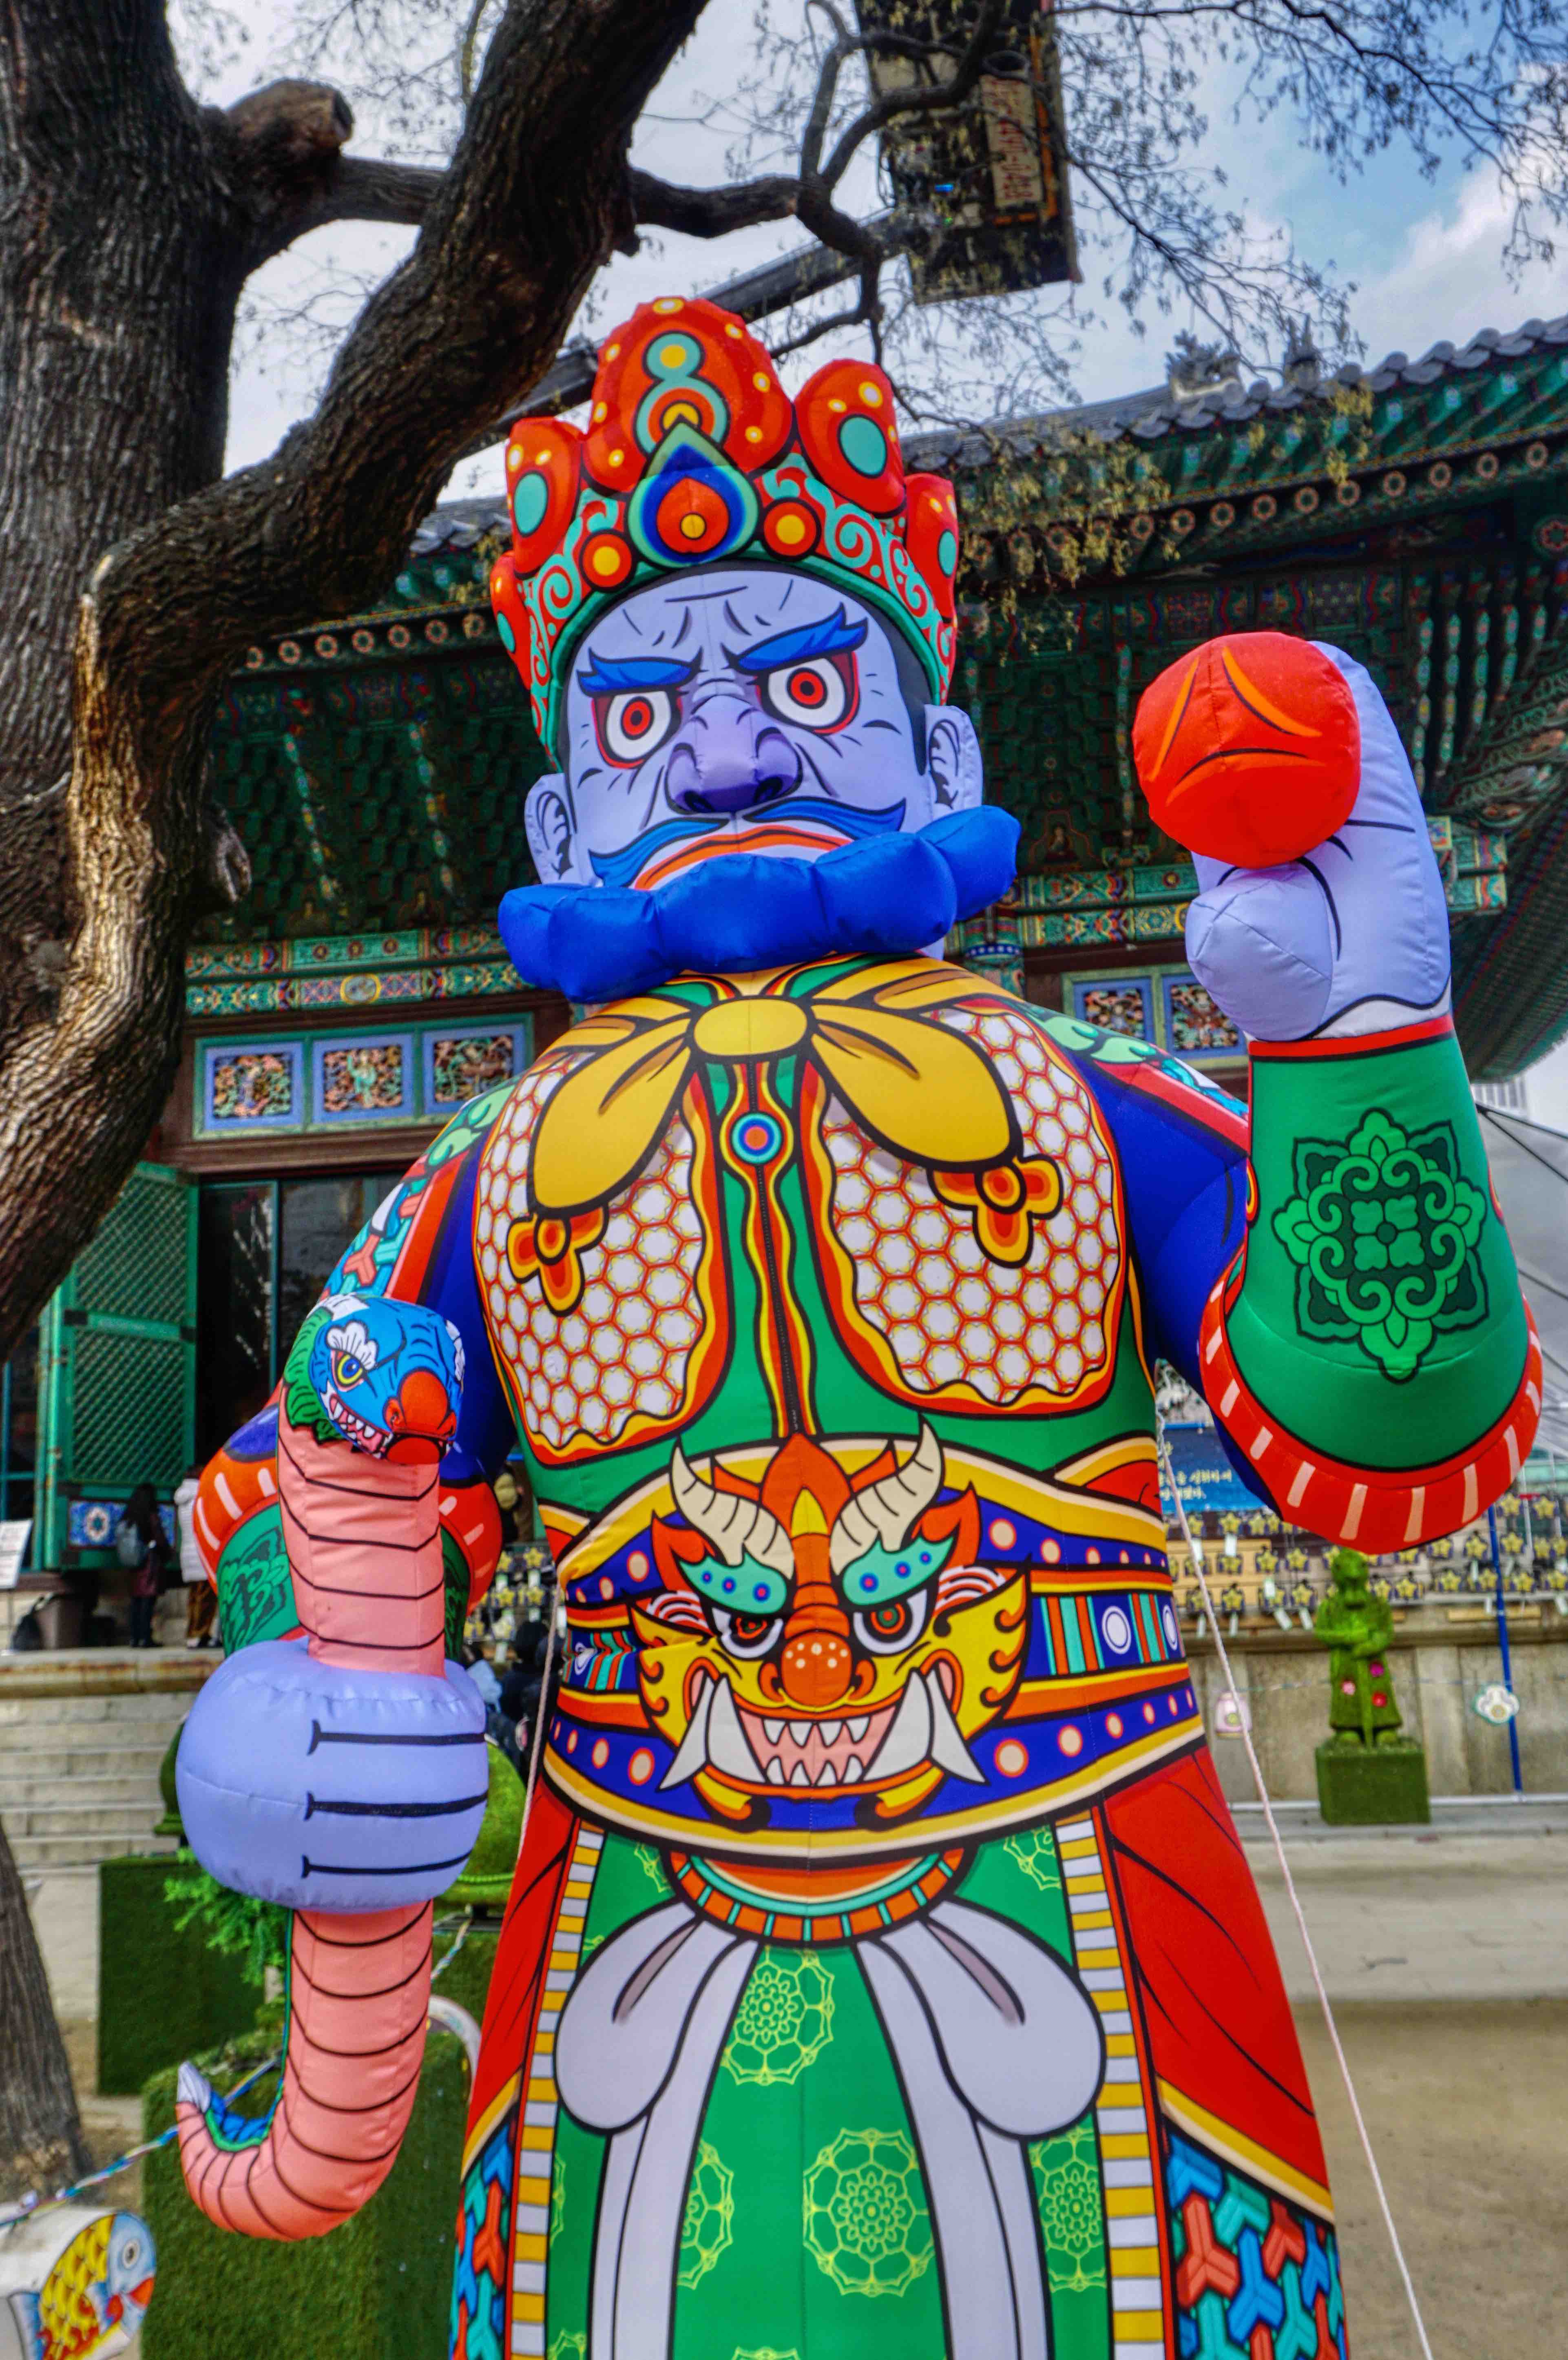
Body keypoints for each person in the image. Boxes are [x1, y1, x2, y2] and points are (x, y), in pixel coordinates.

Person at [174, 297, 1538, 2353]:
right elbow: (317, 1495)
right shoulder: (477, 1168)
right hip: (629, 1877)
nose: (730, 752)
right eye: (641, 715)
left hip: (1079, 1861)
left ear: (942, 758)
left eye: (808, 683)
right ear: (557, 824)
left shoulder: (1089, 1090)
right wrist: (304, 1700)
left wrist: (1358, 1045)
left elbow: (1383, 1444)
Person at [117, 1484, 169, 1649]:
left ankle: (135, 1637)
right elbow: (160, 1539)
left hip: (134, 1564)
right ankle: (146, 1638)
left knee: (136, 1602)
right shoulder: (151, 1517)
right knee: (148, 1601)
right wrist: (167, 1553)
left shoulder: (128, 1518)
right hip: (149, 1564)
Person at [173, 1463, 217, 1649]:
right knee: (205, 1597)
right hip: (201, 1553)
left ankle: (193, 1634)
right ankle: (199, 1634)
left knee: (194, 1597)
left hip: (188, 1552)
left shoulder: (183, 1498)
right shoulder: (201, 1496)